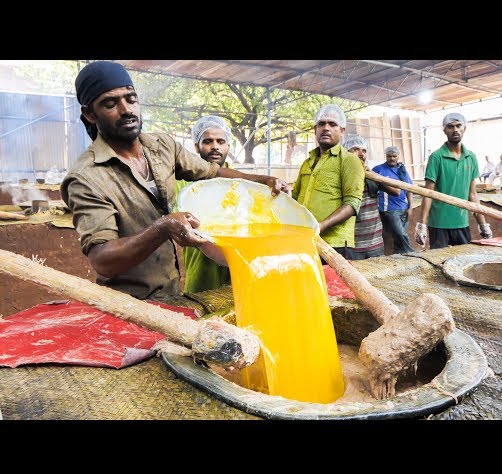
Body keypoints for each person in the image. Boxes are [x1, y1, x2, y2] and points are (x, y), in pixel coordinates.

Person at [61, 61, 290, 300]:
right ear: (89, 113)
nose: (126, 109)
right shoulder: (87, 177)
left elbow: (213, 172)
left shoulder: (162, 146)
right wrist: (162, 228)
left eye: (131, 99)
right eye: (110, 103)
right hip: (130, 303)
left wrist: (262, 180)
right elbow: (103, 259)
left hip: (170, 291)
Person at [292, 104, 364, 259]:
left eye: (332, 124)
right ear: (315, 129)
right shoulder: (307, 162)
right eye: (321, 124)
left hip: (334, 244)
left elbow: (352, 204)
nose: (326, 128)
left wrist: (319, 226)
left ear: (342, 131)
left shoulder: (350, 161)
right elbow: (295, 198)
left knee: (331, 283)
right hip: (304, 240)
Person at [415, 113, 492, 249]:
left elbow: (472, 195)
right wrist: (422, 224)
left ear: (464, 128)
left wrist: (482, 223)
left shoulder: (471, 157)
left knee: (462, 260)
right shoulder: (437, 157)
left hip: (461, 222)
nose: (455, 130)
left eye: (458, 126)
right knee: (439, 262)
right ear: (444, 130)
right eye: (450, 127)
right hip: (439, 223)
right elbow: (428, 193)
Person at [175, 115, 234, 294]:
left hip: (237, 277)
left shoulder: (240, 183)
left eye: (220, 141)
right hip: (202, 276)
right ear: (196, 146)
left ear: (228, 146)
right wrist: (227, 258)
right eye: (208, 141)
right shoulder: (181, 184)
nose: (215, 146)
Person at [343, 134, 387, 259]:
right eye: (355, 149)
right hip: (353, 244)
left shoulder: (371, 176)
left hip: (375, 243)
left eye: (364, 150)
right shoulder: (342, 177)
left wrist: (372, 175)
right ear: (347, 152)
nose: (361, 153)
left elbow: (396, 191)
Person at [372, 146, 414, 254]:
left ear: (398, 156)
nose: (392, 158)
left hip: (403, 208)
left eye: (394, 156)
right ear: (386, 156)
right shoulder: (378, 169)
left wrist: (410, 207)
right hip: (389, 209)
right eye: (389, 156)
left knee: (399, 237)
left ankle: (398, 257)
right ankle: (412, 253)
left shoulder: (402, 170)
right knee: (401, 234)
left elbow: (409, 189)